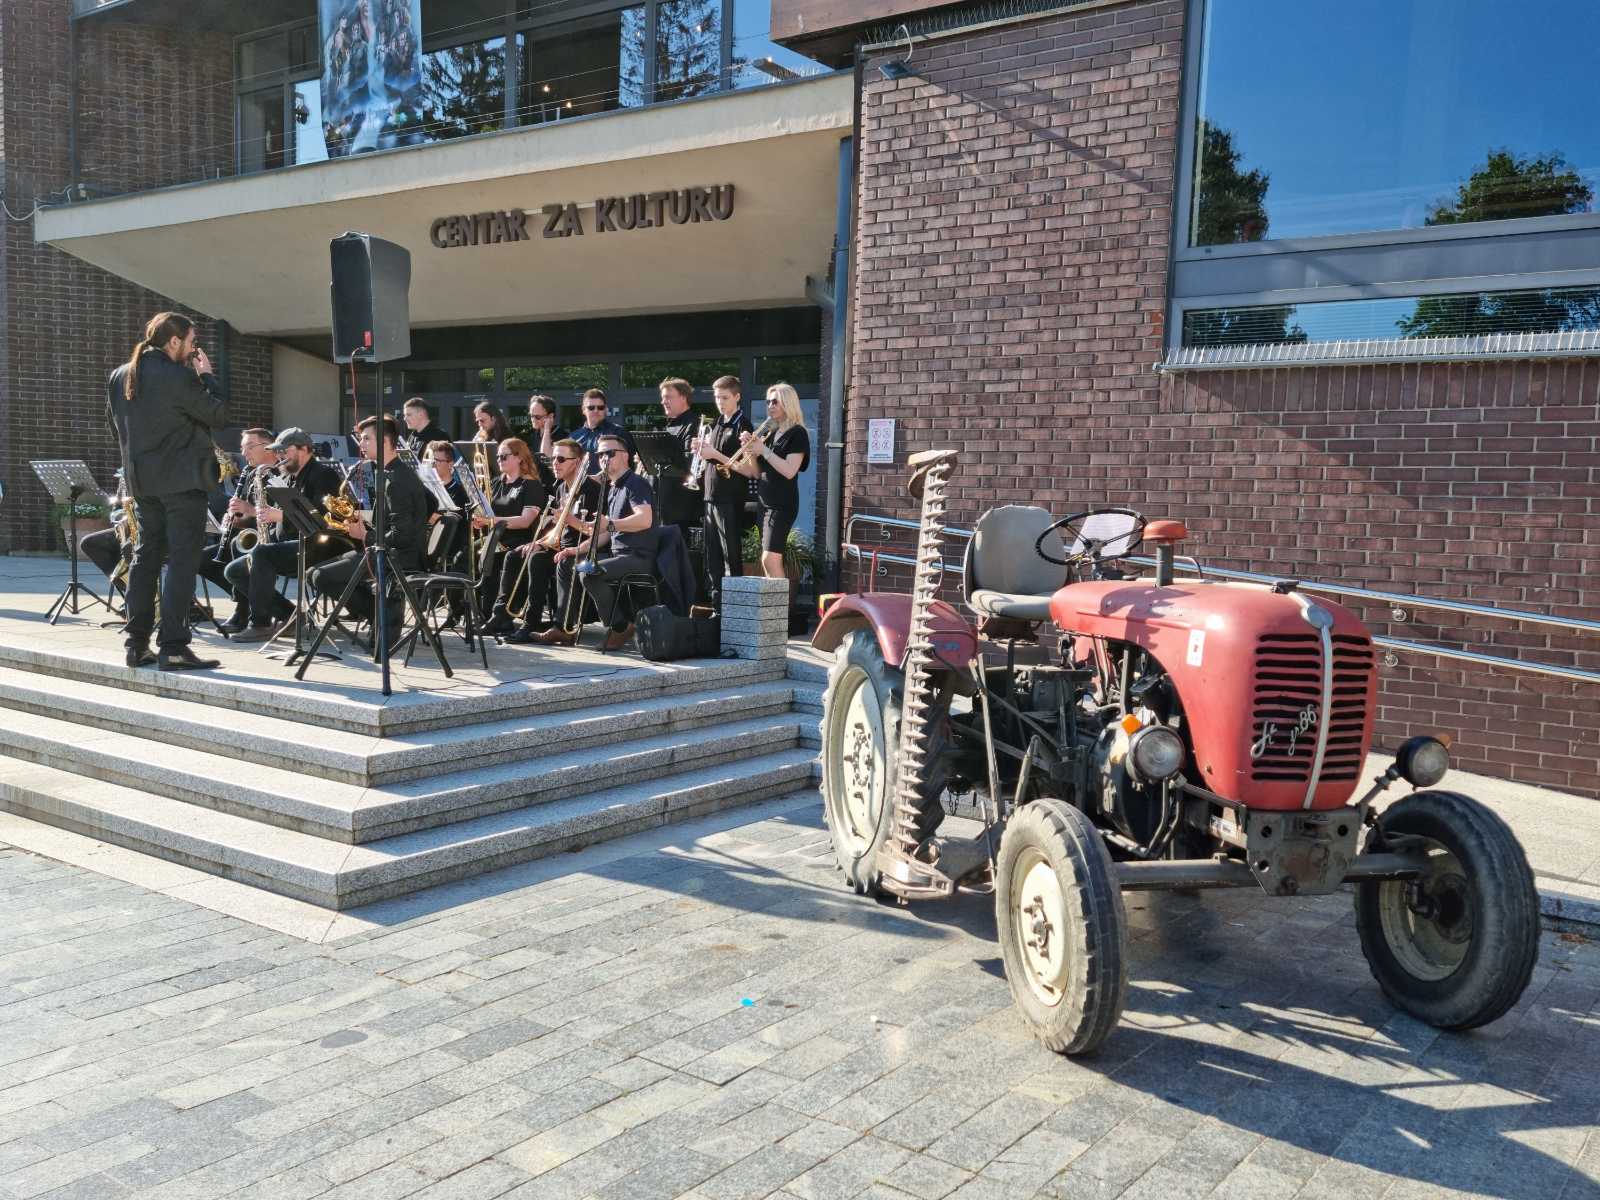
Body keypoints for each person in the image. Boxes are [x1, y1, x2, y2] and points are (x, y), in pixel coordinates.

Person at [105, 311, 229, 671]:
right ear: (173, 341)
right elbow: (219, 415)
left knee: (144, 559)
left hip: (143, 483)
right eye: (191, 342)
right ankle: (173, 646)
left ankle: (136, 645)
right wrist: (207, 376)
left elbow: (115, 428)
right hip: (183, 483)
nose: (193, 350)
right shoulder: (179, 376)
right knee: (181, 561)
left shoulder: (119, 375)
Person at [309, 415, 430, 651]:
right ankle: (375, 612)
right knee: (313, 573)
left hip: (397, 558)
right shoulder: (392, 472)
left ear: (384, 441)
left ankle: (375, 613)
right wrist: (361, 522)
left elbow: (402, 535)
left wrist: (365, 536)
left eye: (366, 439)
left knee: (320, 576)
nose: (361, 444)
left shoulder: (397, 479)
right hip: (385, 551)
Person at [226, 428, 342, 642]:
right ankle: (290, 615)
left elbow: (323, 519)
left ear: (304, 450)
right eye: (278, 451)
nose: (280, 456)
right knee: (234, 571)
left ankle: (260, 623)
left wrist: (279, 516)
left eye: (284, 451)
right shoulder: (286, 476)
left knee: (262, 554)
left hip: (318, 546)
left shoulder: (323, 475)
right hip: (289, 543)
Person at [561, 434, 657, 651]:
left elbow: (645, 520)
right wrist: (577, 547)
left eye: (610, 453)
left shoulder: (635, 483)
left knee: (589, 574)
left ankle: (620, 628)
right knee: (574, 565)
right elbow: (606, 533)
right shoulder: (613, 487)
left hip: (638, 556)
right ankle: (564, 625)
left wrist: (610, 524)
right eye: (600, 454)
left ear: (626, 456)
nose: (604, 458)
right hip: (618, 555)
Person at [510, 439, 603, 645]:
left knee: (553, 562)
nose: (555, 463)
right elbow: (559, 527)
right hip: (562, 546)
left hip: (584, 548)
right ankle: (521, 620)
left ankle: (562, 627)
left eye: (561, 459)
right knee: (523, 555)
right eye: (553, 458)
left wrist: (571, 521)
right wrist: (540, 542)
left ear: (577, 462)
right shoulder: (561, 488)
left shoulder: (592, 490)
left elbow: (596, 531)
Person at [202, 428, 279, 632]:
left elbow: (281, 515)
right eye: (243, 448)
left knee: (239, 553)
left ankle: (245, 610)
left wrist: (250, 511)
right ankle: (266, 605)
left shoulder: (282, 473)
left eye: (249, 447)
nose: (244, 453)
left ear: (268, 447)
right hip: (249, 537)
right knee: (202, 561)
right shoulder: (250, 473)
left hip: (274, 539)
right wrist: (237, 519)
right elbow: (247, 517)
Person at [731, 383, 810, 580]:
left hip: (782, 504)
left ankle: (781, 602)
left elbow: (789, 471)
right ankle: (774, 600)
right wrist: (750, 451)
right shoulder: (771, 433)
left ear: (788, 403)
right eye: (768, 402)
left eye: (775, 401)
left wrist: (764, 451)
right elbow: (757, 473)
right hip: (765, 502)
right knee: (767, 561)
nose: (770, 406)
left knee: (770, 559)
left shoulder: (797, 433)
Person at [474, 437, 547, 633]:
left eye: (504, 456)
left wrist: (492, 521)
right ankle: (475, 611)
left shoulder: (530, 485)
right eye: (498, 456)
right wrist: (479, 519)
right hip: (495, 537)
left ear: (519, 457)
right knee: (465, 555)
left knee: (496, 557)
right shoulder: (496, 482)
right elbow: (487, 512)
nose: (499, 460)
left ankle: (501, 616)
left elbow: (526, 520)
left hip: (519, 539)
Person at [693, 375, 753, 611]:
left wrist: (714, 454)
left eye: (725, 397)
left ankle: (734, 609)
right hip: (710, 495)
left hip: (730, 498)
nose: (720, 402)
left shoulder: (743, 425)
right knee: (712, 556)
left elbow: (747, 469)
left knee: (731, 555)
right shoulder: (717, 423)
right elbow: (709, 457)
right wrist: (701, 451)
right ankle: (717, 607)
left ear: (737, 397)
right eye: (717, 397)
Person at [649, 377, 702, 549]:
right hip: (663, 503)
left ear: (683, 398)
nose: (663, 401)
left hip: (681, 506)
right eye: (663, 397)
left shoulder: (693, 424)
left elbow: (688, 461)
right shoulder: (667, 426)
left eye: (668, 397)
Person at [570, 388, 635, 472]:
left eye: (600, 407)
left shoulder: (618, 433)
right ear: (583, 410)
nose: (596, 410)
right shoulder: (573, 437)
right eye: (591, 408)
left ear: (606, 409)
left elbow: (629, 467)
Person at [527, 394, 567, 461]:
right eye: (531, 416)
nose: (533, 420)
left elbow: (545, 456)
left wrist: (547, 429)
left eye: (537, 417)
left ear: (550, 416)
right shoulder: (532, 435)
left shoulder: (562, 436)